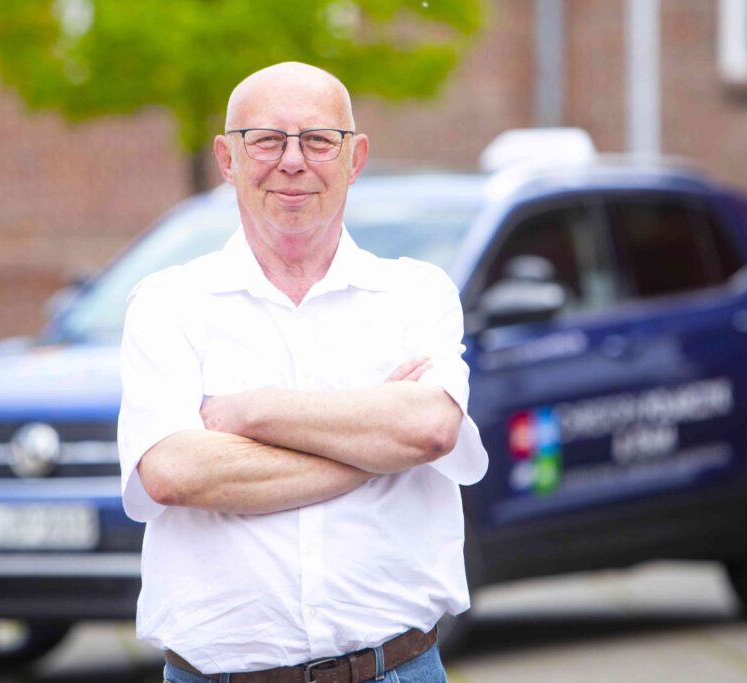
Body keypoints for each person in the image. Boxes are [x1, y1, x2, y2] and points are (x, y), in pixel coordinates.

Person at [117, 61, 487, 683]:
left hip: (395, 669)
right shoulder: (166, 304)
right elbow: (175, 472)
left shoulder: (416, 294)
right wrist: (372, 445)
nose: (293, 161)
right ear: (227, 158)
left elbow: (427, 433)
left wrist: (252, 412)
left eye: (319, 140)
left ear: (356, 158)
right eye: (266, 139)